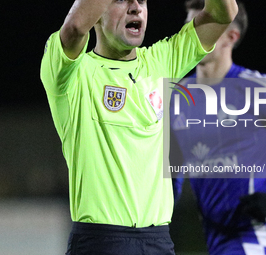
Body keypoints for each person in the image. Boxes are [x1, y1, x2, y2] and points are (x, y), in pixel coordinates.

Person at [40, 0, 238, 254]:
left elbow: (224, 14)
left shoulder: (162, 61)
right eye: (121, 0)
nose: (136, 7)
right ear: (97, 14)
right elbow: (75, 28)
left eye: (142, 1)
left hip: (158, 241)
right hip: (101, 243)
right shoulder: (72, 74)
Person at [170, 0, 266, 254]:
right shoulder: (177, 95)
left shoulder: (261, 90)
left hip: (260, 236)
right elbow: (176, 166)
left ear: (231, 37)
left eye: (203, 26)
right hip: (215, 239)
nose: (191, 35)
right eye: (188, 27)